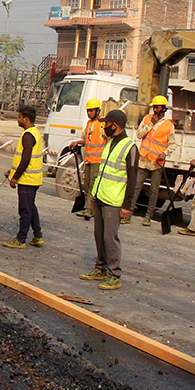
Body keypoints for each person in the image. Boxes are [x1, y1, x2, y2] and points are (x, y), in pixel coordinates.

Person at [79, 109, 138, 291]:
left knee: (110, 238)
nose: (103, 127)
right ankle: (100, 267)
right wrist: (95, 195)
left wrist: (127, 206)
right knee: (99, 236)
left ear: (115, 126)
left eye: (106, 124)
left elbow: (133, 179)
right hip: (102, 197)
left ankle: (114, 274)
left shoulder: (130, 147)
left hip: (115, 201)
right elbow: (103, 172)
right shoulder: (110, 143)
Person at [124, 95, 175, 226]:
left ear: (163, 109)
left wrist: (165, 153)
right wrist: (151, 124)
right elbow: (139, 135)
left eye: (157, 107)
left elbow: (173, 144)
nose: (154, 109)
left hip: (156, 162)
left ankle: (148, 216)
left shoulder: (169, 125)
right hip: (143, 159)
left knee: (154, 190)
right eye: (154, 107)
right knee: (136, 186)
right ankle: (128, 213)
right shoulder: (147, 119)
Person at [2, 105, 44, 249]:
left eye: (19, 117)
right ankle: (38, 235)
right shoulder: (34, 132)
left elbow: (26, 159)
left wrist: (15, 178)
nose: (18, 120)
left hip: (27, 180)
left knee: (25, 210)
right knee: (31, 208)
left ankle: (21, 239)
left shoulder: (28, 135)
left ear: (26, 119)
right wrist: (12, 171)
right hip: (33, 179)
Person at [73, 98, 104, 220]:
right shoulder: (89, 124)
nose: (89, 113)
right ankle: (87, 207)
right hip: (88, 159)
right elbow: (87, 140)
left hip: (97, 159)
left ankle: (89, 209)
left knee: (93, 185)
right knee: (86, 185)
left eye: (91, 111)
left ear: (97, 111)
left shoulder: (102, 124)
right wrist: (78, 142)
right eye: (88, 111)